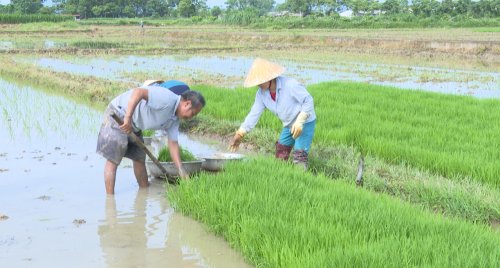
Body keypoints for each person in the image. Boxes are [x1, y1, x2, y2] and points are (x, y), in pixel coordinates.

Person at [96, 80, 205, 195]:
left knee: (139, 159)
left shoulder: (174, 120)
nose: (191, 117)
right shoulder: (167, 99)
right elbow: (139, 92)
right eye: (192, 114)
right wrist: (127, 118)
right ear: (187, 104)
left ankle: (144, 193)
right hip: (119, 114)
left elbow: (173, 143)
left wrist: (181, 170)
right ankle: (110, 202)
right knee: (113, 158)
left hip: (135, 125)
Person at [229, 58, 316, 169]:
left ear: (270, 78)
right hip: (288, 123)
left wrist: (300, 121)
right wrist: (240, 133)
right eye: (256, 82)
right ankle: (280, 177)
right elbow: (254, 114)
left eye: (260, 80)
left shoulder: (290, 85)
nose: (258, 84)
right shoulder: (261, 94)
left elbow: (308, 100)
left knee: (299, 157)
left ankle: (300, 179)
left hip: (305, 122)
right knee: (281, 152)